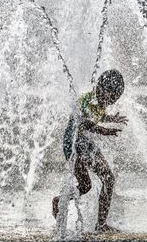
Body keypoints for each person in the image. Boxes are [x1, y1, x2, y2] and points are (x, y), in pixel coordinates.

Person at [52, 69, 128, 232]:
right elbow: (83, 123)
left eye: (114, 100)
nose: (111, 102)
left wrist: (111, 119)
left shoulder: (99, 102)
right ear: (101, 88)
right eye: (111, 97)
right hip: (73, 145)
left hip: (83, 142)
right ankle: (60, 201)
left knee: (103, 179)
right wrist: (104, 130)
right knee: (90, 184)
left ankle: (100, 224)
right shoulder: (87, 100)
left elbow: (97, 115)